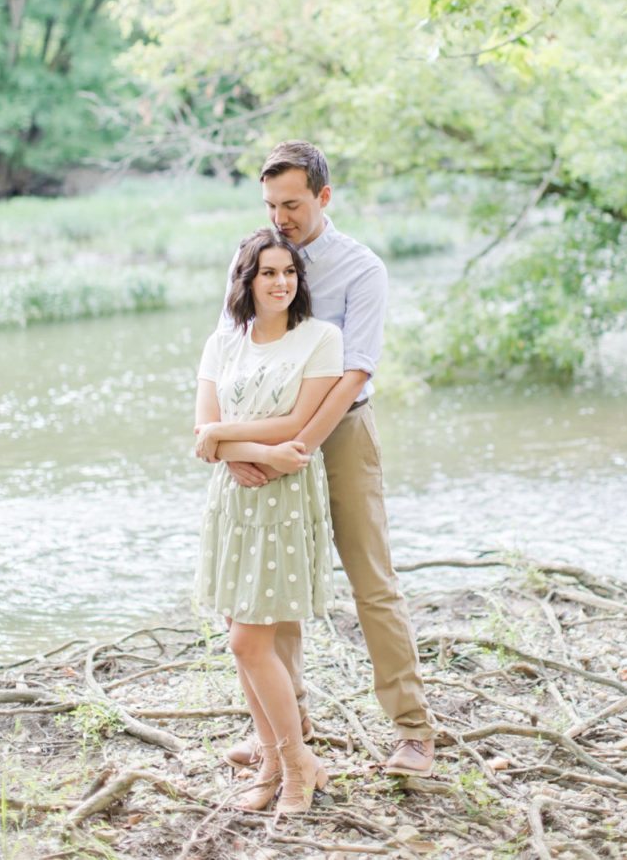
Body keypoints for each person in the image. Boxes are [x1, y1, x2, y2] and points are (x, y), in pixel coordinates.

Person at [201, 141, 438, 777]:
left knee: (371, 580)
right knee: (271, 581)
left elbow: (356, 367)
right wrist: (238, 449)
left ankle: (413, 730)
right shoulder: (254, 257)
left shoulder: (362, 269)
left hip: (341, 433)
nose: (282, 216)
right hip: (262, 434)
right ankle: (287, 729)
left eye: (294, 204)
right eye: (272, 204)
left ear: (324, 197)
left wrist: (296, 445)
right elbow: (228, 349)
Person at [194, 228, 340, 813]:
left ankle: (300, 764)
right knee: (244, 635)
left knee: (249, 641)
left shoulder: (320, 339)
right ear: (246, 282)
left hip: (284, 498)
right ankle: (275, 759)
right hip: (233, 497)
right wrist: (242, 454)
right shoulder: (222, 344)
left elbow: (295, 423)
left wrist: (229, 438)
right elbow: (199, 435)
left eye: (289, 272)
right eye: (267, 273)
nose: (281, 282)